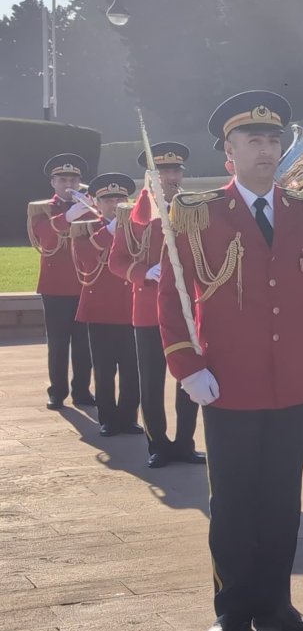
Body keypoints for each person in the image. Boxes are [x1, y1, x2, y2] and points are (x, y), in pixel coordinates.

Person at [157, 90, 303, 631]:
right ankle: (233, 605)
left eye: (273, 140)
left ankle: (276, 600)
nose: (266, 150)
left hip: (291, 380)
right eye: (253, 141)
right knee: (234, 499)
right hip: (227, 382)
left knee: (282, 497)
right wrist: (187, 365)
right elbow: (173, 296)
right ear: (228, 154)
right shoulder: (198, 212)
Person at [108, 143, 202, 466]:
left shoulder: (192, 208)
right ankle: (157, 444)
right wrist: (143, 272)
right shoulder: (133, 213)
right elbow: (116, 260)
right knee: (150, 380)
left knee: (188, 377)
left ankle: (185, 442)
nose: (171, 177)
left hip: (188, 309)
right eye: (164, 172)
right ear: (150, 176)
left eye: (175, 171)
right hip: (148, 308)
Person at [71, 172, 140, 436]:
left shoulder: (138, 228)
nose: (114, 204)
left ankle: (129, 417)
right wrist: (111, 230)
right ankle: (108, 419)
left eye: (120, 198)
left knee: (132, 369)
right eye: (108, 199)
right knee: (104, 368)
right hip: (101, 310)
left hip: (132, 308)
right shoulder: (85, 228)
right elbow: (87, 259)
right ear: (97, 203)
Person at [30, 153, 97, 411]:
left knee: (84, 344)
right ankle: (57, 392)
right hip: (56, 286)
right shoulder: (43, 209)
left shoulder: (89, 207)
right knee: (58, 343)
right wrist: (68, 217)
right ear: (53, 182)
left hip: (85, 283)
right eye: (63, 179)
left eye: (74, 179)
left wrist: (87, 210)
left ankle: (82, 390)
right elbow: (45, 238)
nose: (69, 184)